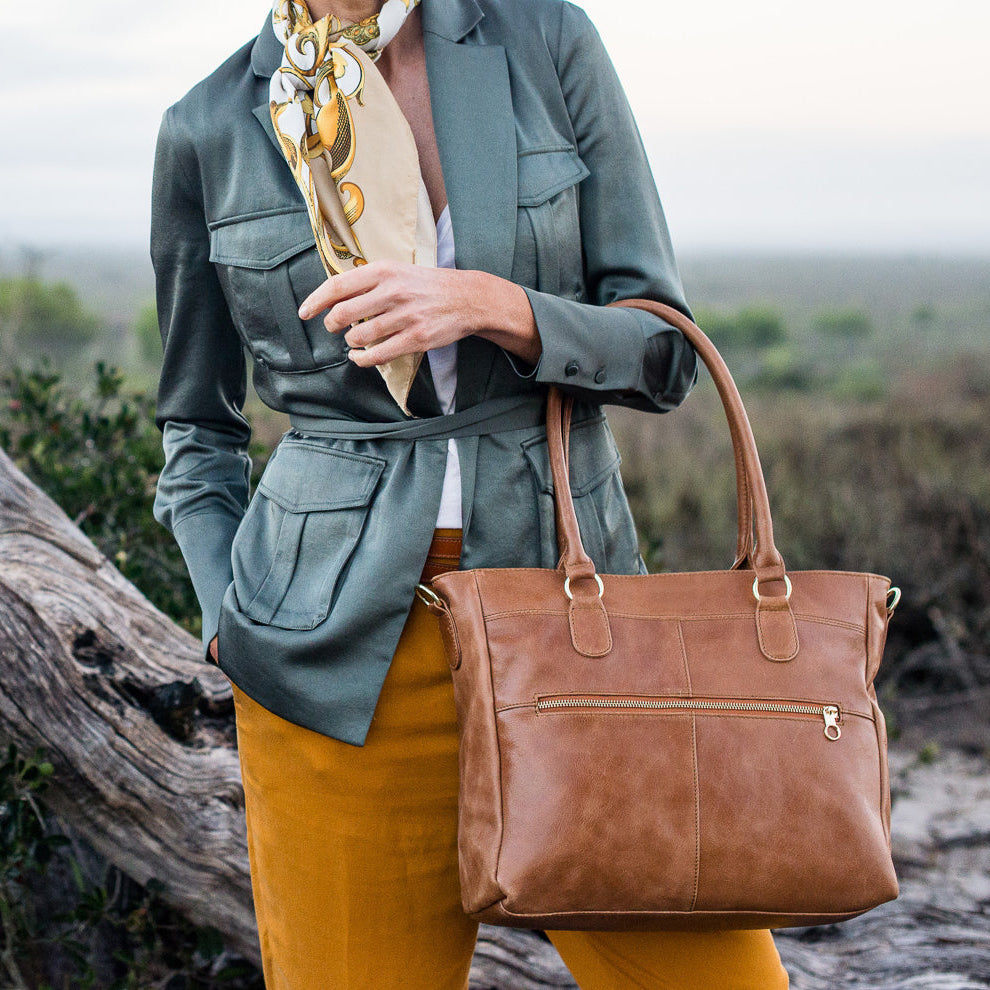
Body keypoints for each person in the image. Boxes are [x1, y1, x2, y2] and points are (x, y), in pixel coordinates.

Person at [150, 0, 790, 985]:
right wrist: (232, 620)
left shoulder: (543, 40)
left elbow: (664, 352)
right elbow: (196, 429)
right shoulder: (208, 125)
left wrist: (502, 308)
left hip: (575, 631)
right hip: (328, 666)